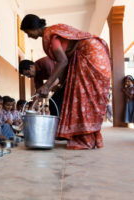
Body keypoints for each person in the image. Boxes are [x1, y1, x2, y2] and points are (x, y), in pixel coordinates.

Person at [21, 14, 111, 149]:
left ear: (33, 28)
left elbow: (62, 62)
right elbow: (64, 64)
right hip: (97, 51)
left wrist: (47, 86)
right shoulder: (54, 32)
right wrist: (59, 84)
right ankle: (87, 135)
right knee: (85, 98)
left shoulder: (52, 37)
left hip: (89, 54)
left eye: (28, 32)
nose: (29, 36)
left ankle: (83, 137)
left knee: (81, 98)